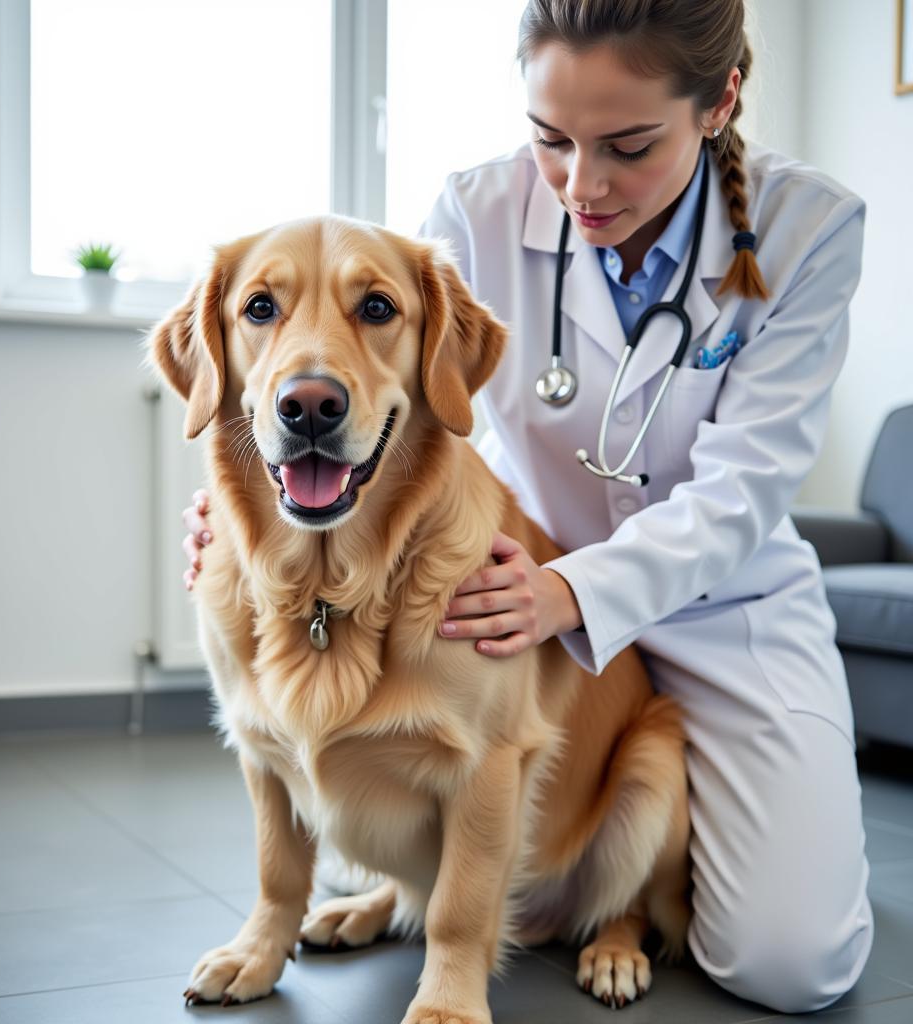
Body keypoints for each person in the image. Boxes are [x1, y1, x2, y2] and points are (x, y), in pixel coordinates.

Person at [180, 0, 874, 1013]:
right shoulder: (472, 208)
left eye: (627, 146)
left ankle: (615, 900)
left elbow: (745, 488)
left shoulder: (808, 226)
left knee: (790, 961)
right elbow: (383, 394)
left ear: (720, 100)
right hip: (504, 570)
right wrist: (258, 517)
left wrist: (569, 591)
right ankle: (402, 886)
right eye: (551, 140)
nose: (582, 187)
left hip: (722, 606)